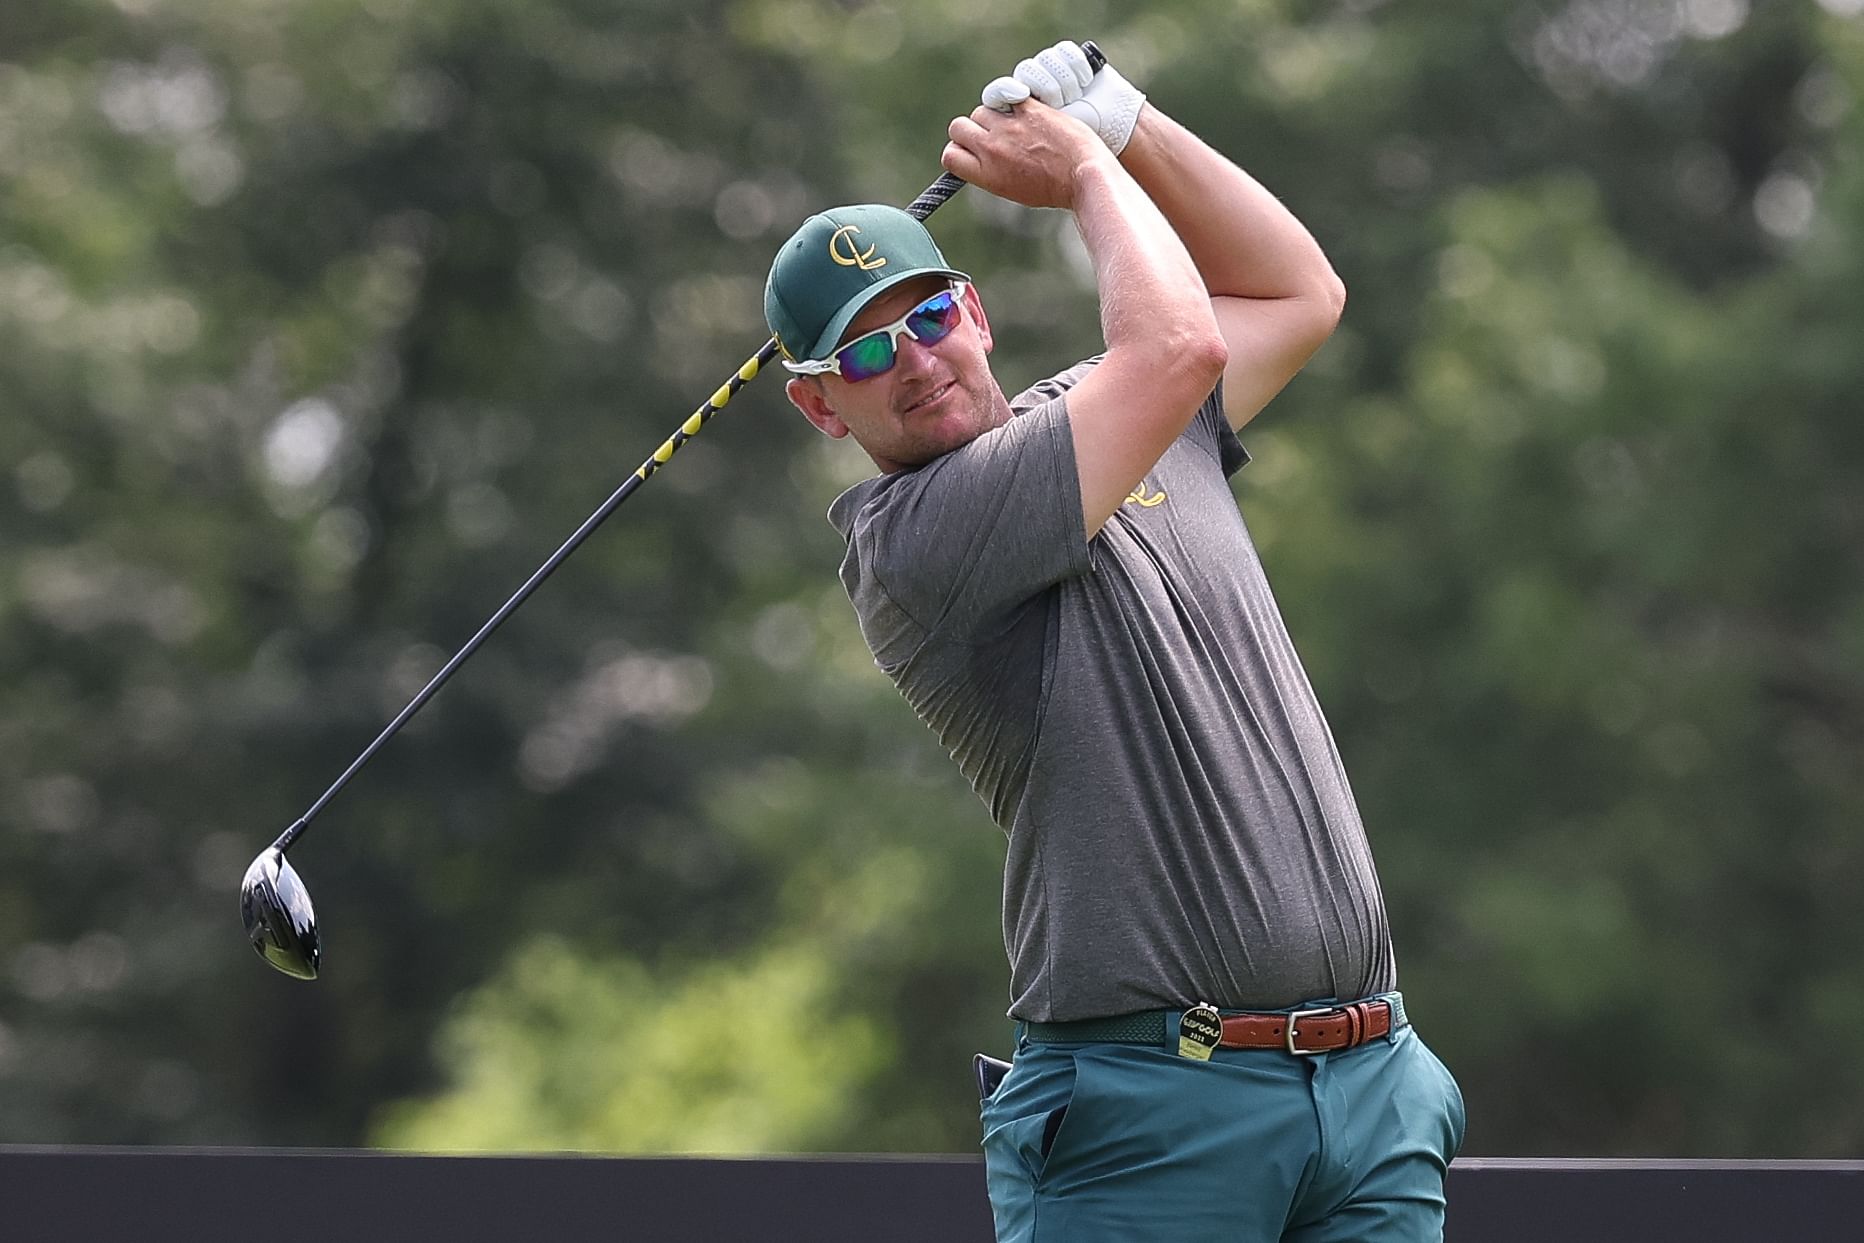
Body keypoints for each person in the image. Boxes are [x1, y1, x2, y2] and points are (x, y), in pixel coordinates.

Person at [762, 40, 1464, 1243]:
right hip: (1152, 1106)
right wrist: (1087, 171)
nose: (916, 360)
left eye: (928, 314)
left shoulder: (1113, 412)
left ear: (972, 308)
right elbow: (1180, 347)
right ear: (822, 404)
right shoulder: (909, 540)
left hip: (1366, 1080)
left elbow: (1299, 294)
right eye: (868, 353)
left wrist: (1126, 117)